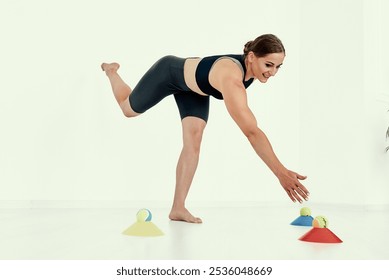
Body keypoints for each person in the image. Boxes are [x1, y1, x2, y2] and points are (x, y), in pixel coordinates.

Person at [101, 34, 310, 224]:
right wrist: (281, 172)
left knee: (194, 141)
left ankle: (178, 208)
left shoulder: (252, 68)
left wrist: (281, 172)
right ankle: (112, 72)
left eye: (278, 67)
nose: (272, 72)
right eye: (269, 65)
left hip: (196, 88)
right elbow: (252, 132)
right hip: (170, 73)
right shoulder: (231, 78)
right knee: (128, 109)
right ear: (252, 56)